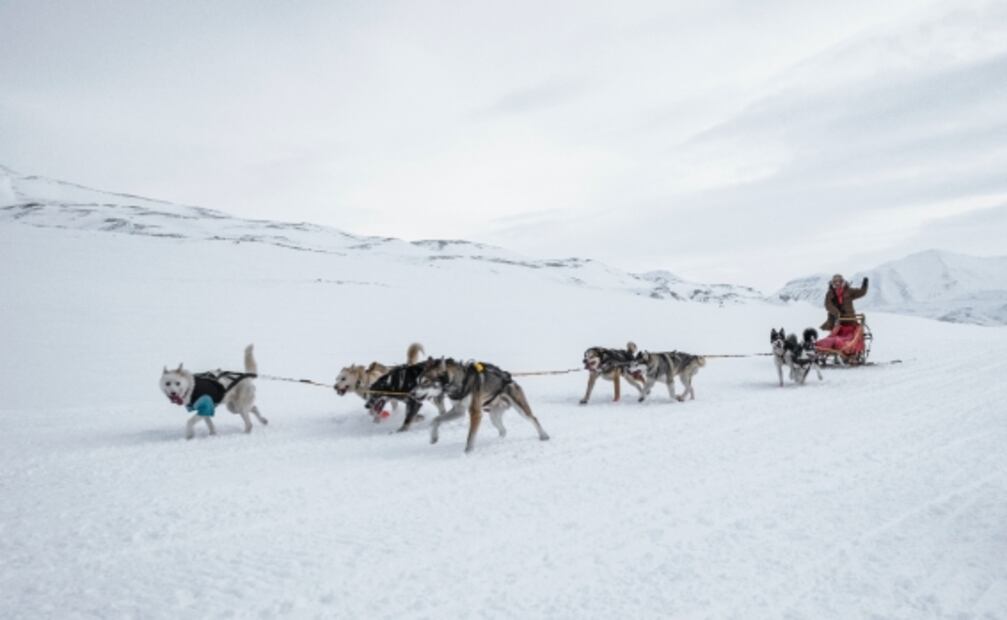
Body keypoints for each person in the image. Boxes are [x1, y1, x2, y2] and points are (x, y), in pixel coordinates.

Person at [817, 273, 868, 350]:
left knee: (852, 338)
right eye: (835, 282)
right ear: (833, 283)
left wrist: (865, 284)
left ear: (842, 282)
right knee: (834, 337)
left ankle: (851, 352)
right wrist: (837, 313)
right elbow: (828, 304)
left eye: (839, 281)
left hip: (850, 320)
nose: (837, 283)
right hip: (837, 322)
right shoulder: (830, 293)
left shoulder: (849, 291)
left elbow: (862, 292)